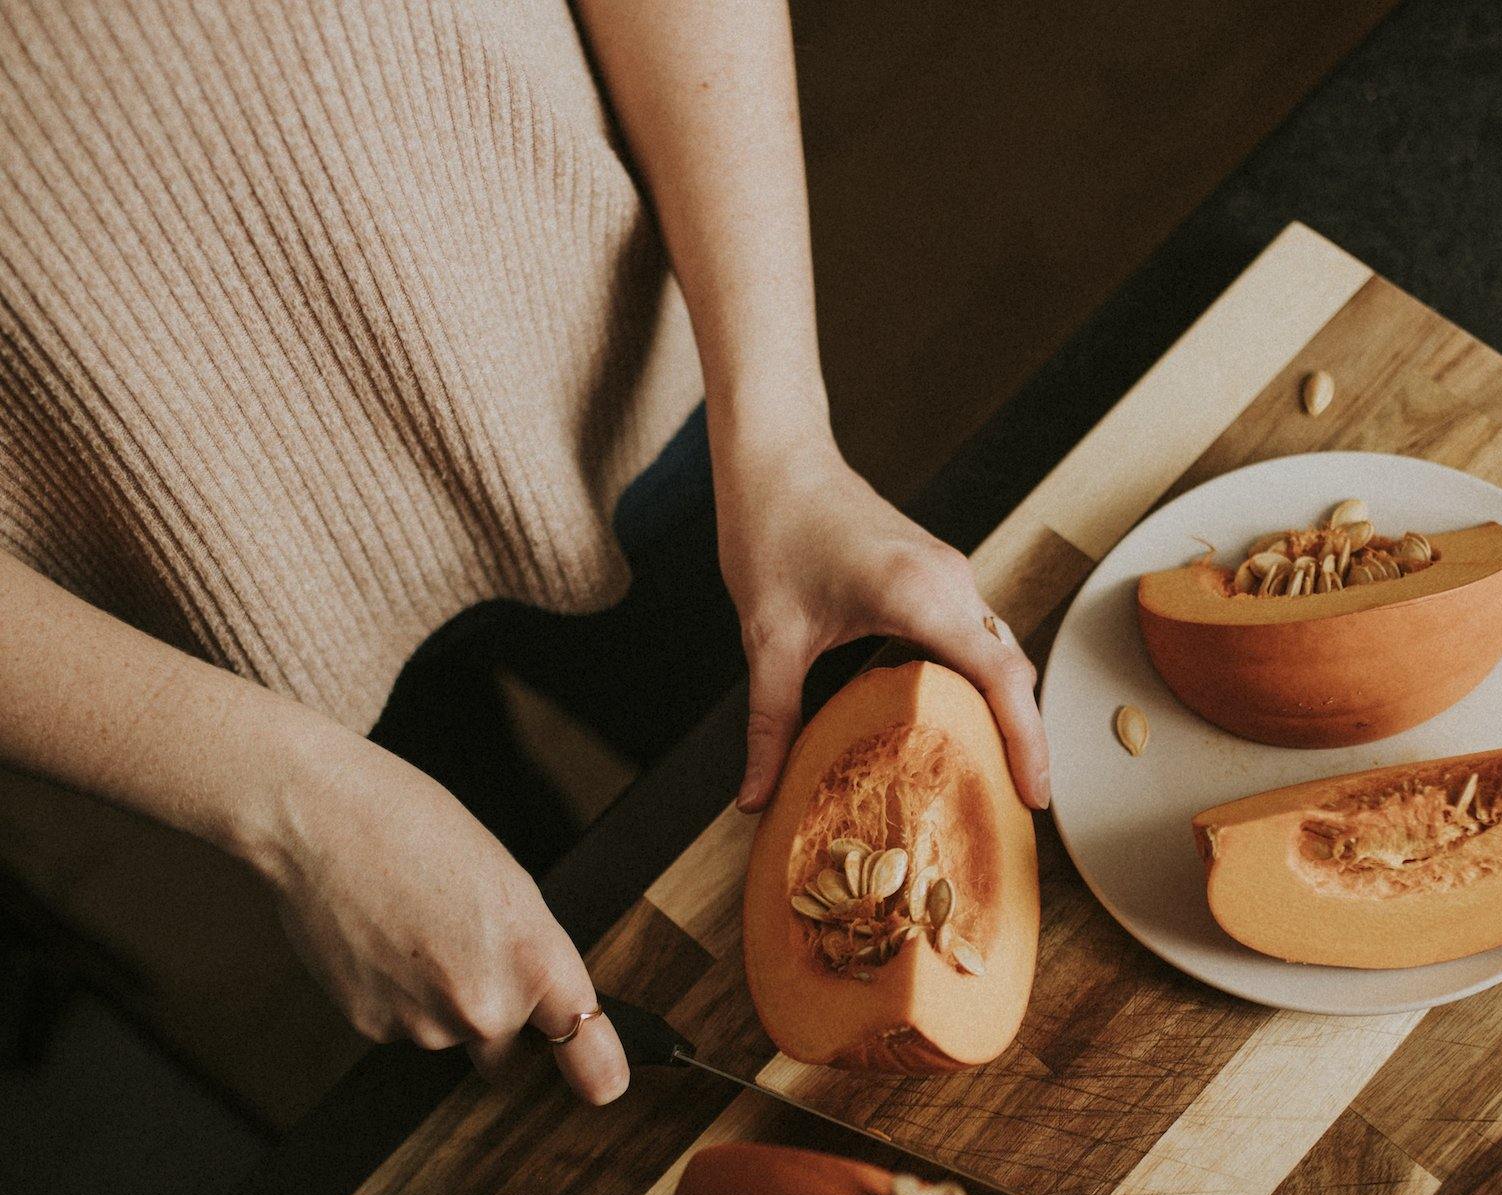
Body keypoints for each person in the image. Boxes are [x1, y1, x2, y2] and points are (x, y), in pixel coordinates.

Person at [0, 0, 1049, 1106]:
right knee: (557, 993)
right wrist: (288, 803)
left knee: (779, 764)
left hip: (603, 383)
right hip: (196, 629)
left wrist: (783, 437)